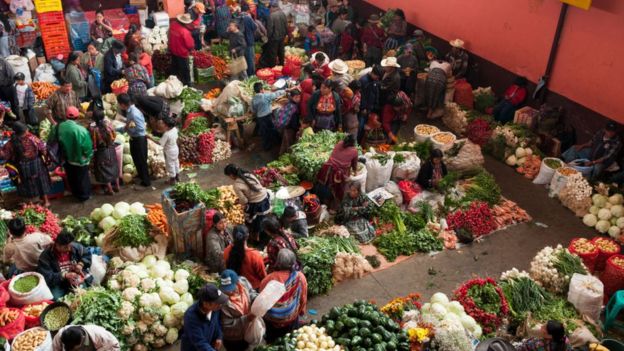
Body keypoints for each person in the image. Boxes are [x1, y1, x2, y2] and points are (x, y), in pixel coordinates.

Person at [260, 248, 307, 342]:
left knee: (273, 344)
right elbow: (303, 298)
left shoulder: (268, 280)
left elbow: (262, 303)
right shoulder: (300, 278)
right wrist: (301, 311)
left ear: (278, 262)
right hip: (291, 321)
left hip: (272, 323)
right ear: (293, 262)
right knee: (290, 343)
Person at [50, 107, 93, 202]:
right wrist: (88, 155)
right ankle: (84, 196)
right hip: (79, 159)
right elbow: (87, 147)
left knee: (71, 176)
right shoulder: (81, 130)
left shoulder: (57, 127)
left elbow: (51, 140)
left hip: (65, 158)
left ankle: (75, 193)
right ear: (77, 117)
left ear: (66, 116)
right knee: (82, 177)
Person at [38, 230, 92, 299]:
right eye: (66, 247)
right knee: (56, 298)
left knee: (85, 293)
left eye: (70, 245)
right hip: (59, 282)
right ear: (57, 245)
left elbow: (87, 254)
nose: (69, 249)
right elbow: (47, 276)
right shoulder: (45, 256)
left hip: (75, 277)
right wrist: (64, 275)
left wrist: (80, 264)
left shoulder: (76, 247)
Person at [224, 164, 271, 239]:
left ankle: (254, 238)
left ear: (231, 175)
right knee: (260, 219)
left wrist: (239, 202)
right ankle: (259, 234)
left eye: (229, 176)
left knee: (251, 221)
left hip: (257, 204)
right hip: (265, 198)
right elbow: (257, 186)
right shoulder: (248, 174)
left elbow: (244, 201)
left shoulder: (236, 185)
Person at [219, 269, 258, 351]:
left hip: (248, 331)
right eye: (226, 289)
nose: (229, 292)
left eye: (232, 288)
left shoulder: (243, 282)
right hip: (234, 339)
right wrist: (246, 319)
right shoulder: (222, 302)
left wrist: (256, 299)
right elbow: (226, 327)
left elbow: (251, 292)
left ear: (237, 282)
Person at [181, 283, 228, 351]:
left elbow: (218, 322)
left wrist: (219, 336)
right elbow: (200, 342)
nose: (221, 304)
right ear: (206, 304)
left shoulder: (215, 309)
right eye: (218, 302)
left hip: (209, 344)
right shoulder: (190, 317)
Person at [118, 93, 151, 187]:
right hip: (134, 138)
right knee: (136, 159)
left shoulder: (133, 113)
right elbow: (131, 124)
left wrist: (129, 129)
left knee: (141, 161)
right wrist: (125, 128)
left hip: (139, 139)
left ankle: (146, 182)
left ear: (123, 104)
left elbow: (140, 128)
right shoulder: (130, 111)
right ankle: (142, 177)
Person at [317, 133, 359, 207]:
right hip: (338, 174)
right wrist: (355, 172)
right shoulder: (354, 151)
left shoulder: (340, 143)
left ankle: (326, 202)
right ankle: (333, 207)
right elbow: (354, 165)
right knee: (338, 190)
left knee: (328, 187)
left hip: (327, 168)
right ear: (353, 143)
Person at [224, 225, 267, 290]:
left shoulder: (227, 251)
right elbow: (263, 276)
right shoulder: (255, 255)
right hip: (252, 289)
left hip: (235, 287)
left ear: (233, 236)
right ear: (248, 236)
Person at [89, 109, 120, 195]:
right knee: (114, 167)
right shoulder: (109, 125)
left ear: (93, 118)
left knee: (104, 170)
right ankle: (117, 186)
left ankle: (110, 190)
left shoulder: (93, 129)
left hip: (101, 151)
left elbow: (93, 141)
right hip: (111, 149)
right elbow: (114, 135)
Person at [251, 82, 284, 150]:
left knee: (264, 132)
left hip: (260, 118)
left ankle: (266, 147)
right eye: (263, 88)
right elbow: (275, 94)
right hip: (267, 116)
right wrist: (285, 90)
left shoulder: (253, 99)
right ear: (261, 89)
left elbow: (253, 110)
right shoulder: (265, 96)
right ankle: (277, 142)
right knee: (272, 129)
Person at [169, 14, 196, 86]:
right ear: (185, 23)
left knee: (174, 68)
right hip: (182, 54)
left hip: (173, 51)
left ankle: (173, 83)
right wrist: (192, 49)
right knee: (185, 70)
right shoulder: (185, 32)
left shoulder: (173, 25)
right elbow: (190, 45)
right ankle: (187, 84)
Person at [358, 64, 382, 142]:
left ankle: (362, 141)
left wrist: (375, 105)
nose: (377, 78)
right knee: (360, 126)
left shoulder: (375, 81)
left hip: (370, 108)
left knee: (366, 126)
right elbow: (362, 96)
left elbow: (376, 93)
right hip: (363, 109)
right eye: (377, 76)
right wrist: (363, 107)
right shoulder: (364, 80)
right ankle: (357, 142)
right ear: (373, 73)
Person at [53, 325, 121, 351]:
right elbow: (55, 348)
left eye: (74, 348)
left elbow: (115, 346)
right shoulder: (60, 335)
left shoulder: (101, 335)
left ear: (83, 338)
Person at [260, 3, 287, 68]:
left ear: (272, 7)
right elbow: (286, 25)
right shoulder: (282, 14)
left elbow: (270, 29)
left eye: (269, 9)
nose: (269, 10)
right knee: (281, 52)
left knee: (273, 55)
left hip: (274, 38)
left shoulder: (271, 16)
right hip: (282, 37)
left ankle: (273, 68)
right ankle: (282, 66)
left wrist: (267, 38)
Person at [276, 89, 301, 155]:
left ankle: (281, 154)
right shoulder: (293, 106)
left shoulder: (288, 103)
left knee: (284, 142)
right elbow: (293, 120)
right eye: (296, 97)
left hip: (286, 127)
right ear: (292, 97)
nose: (298, 99)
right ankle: (287, 157)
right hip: (290, 128)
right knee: (289, 144)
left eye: (299, 97)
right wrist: (296, 128)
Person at [158, 116, 180, 184]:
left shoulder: (166, 134)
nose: (162, 124)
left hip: (170, 151)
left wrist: (150, 137)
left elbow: (160, 143)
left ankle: (172, 179)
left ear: (167, 126)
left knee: (170, 164)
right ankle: (177, 176)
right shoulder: (175, 129)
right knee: (176, 162)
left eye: (163, 123)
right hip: (175, 149)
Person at [239, 3, 257, 77]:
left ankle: (244, 75)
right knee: (250, 60)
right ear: (248, 10)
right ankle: (251, 75)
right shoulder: (248, 17)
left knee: (243, 59)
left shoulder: (238, 16)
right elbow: (255, 27)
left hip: (240, 42)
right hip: (249, 41)